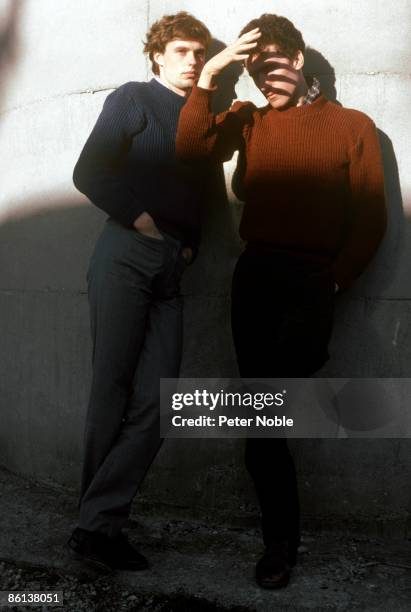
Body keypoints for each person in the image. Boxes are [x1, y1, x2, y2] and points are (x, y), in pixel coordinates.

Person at [176, 13, 386, 589]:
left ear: (297, 60)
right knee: (261, 417)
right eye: (252, 69)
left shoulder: (353, 126)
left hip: (313, 279)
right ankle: (280, 543)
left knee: (279, 393)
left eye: (271, 64)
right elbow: (192, 148)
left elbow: (371, 216)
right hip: (258, 275)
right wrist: (211, 76)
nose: (263, 78)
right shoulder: (246, 119)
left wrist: (335, 281)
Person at [67, 12, 211, 571]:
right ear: (157, 56)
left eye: (199, 52)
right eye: (180, 50)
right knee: (112, 389)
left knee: (160, 401)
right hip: (126, 251)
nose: (192, 60)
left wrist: (189, 244)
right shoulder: (134, 98)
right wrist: (144, 219)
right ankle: (98, 528)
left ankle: (92, 522)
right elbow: (90, 171)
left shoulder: (202, 114)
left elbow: (202, 194)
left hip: (172, 264)